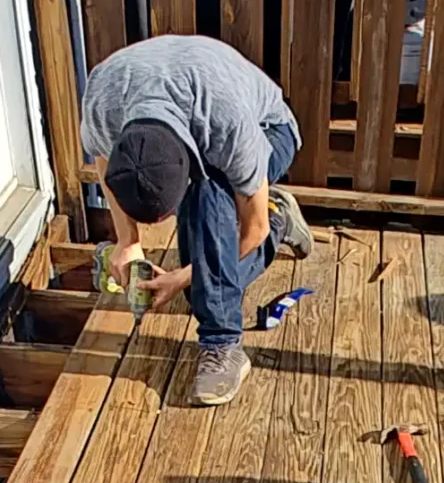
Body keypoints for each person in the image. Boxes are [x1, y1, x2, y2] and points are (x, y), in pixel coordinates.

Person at [81, 35, 312, 406]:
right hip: (179, 109)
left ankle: (223, 345)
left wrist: (186, 274)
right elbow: (106, 159)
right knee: (203, 288)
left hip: (269, 128)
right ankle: (278, 218)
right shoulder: (104, 100)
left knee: (210, 196)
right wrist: (128, 241)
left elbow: (254, 231)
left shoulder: (227, 124)